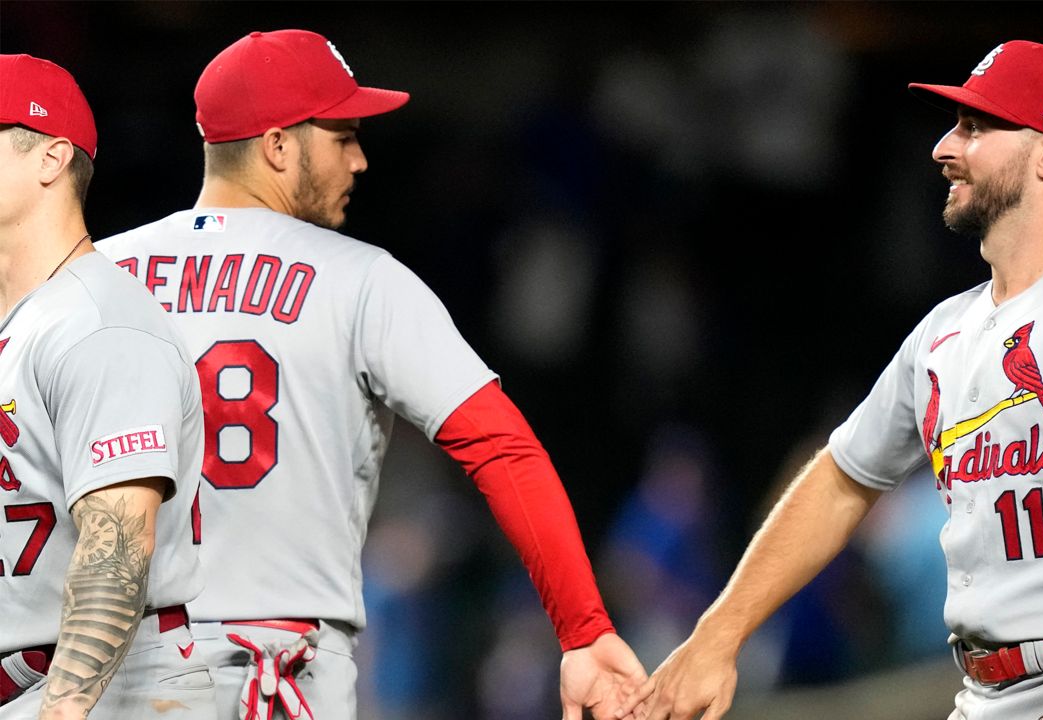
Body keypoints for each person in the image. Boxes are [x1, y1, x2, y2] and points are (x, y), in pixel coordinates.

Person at [619, 40, 1043, 720]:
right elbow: (840, 480)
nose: (945, 146)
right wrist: (716, 637)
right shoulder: (943, 331)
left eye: (976, 126)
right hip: (986, 692)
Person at [95, 29, 645, 720]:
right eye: (343, 136)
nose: (359, 161)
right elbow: (502, 447)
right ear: (277, 146)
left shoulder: (93, 278)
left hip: (110, 674)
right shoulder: (362, 280)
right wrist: (583, 629)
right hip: (280, 676)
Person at [0, 54, 213, 718]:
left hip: (108, 691)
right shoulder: (29, 321)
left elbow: (117, 554)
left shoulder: (98, 324)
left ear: (51, 158)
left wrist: (60, 710)